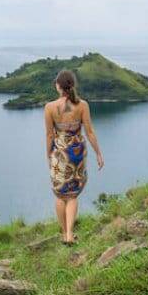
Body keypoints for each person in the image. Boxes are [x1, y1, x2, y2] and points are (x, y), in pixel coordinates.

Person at [44, 69, 104, 246]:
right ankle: (70, 233)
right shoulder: (82, 105)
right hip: (76, 153)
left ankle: (65, 234)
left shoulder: (49, 108)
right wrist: (98, 153)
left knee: (59, 195)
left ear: (58, 86)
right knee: (72, 195)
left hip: (60, 155)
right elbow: (90, 132)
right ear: (72, 86)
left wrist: (48, 154)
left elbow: (49, 135)